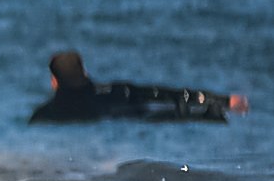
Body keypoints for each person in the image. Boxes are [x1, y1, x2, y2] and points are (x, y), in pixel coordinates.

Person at [29, 50, 247, 124]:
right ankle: (210, 112)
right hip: (136, 117)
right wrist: (223, 100)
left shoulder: (43, 116)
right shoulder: (114, 92)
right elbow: (160, 94)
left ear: (54, 82)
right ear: (85, 73)